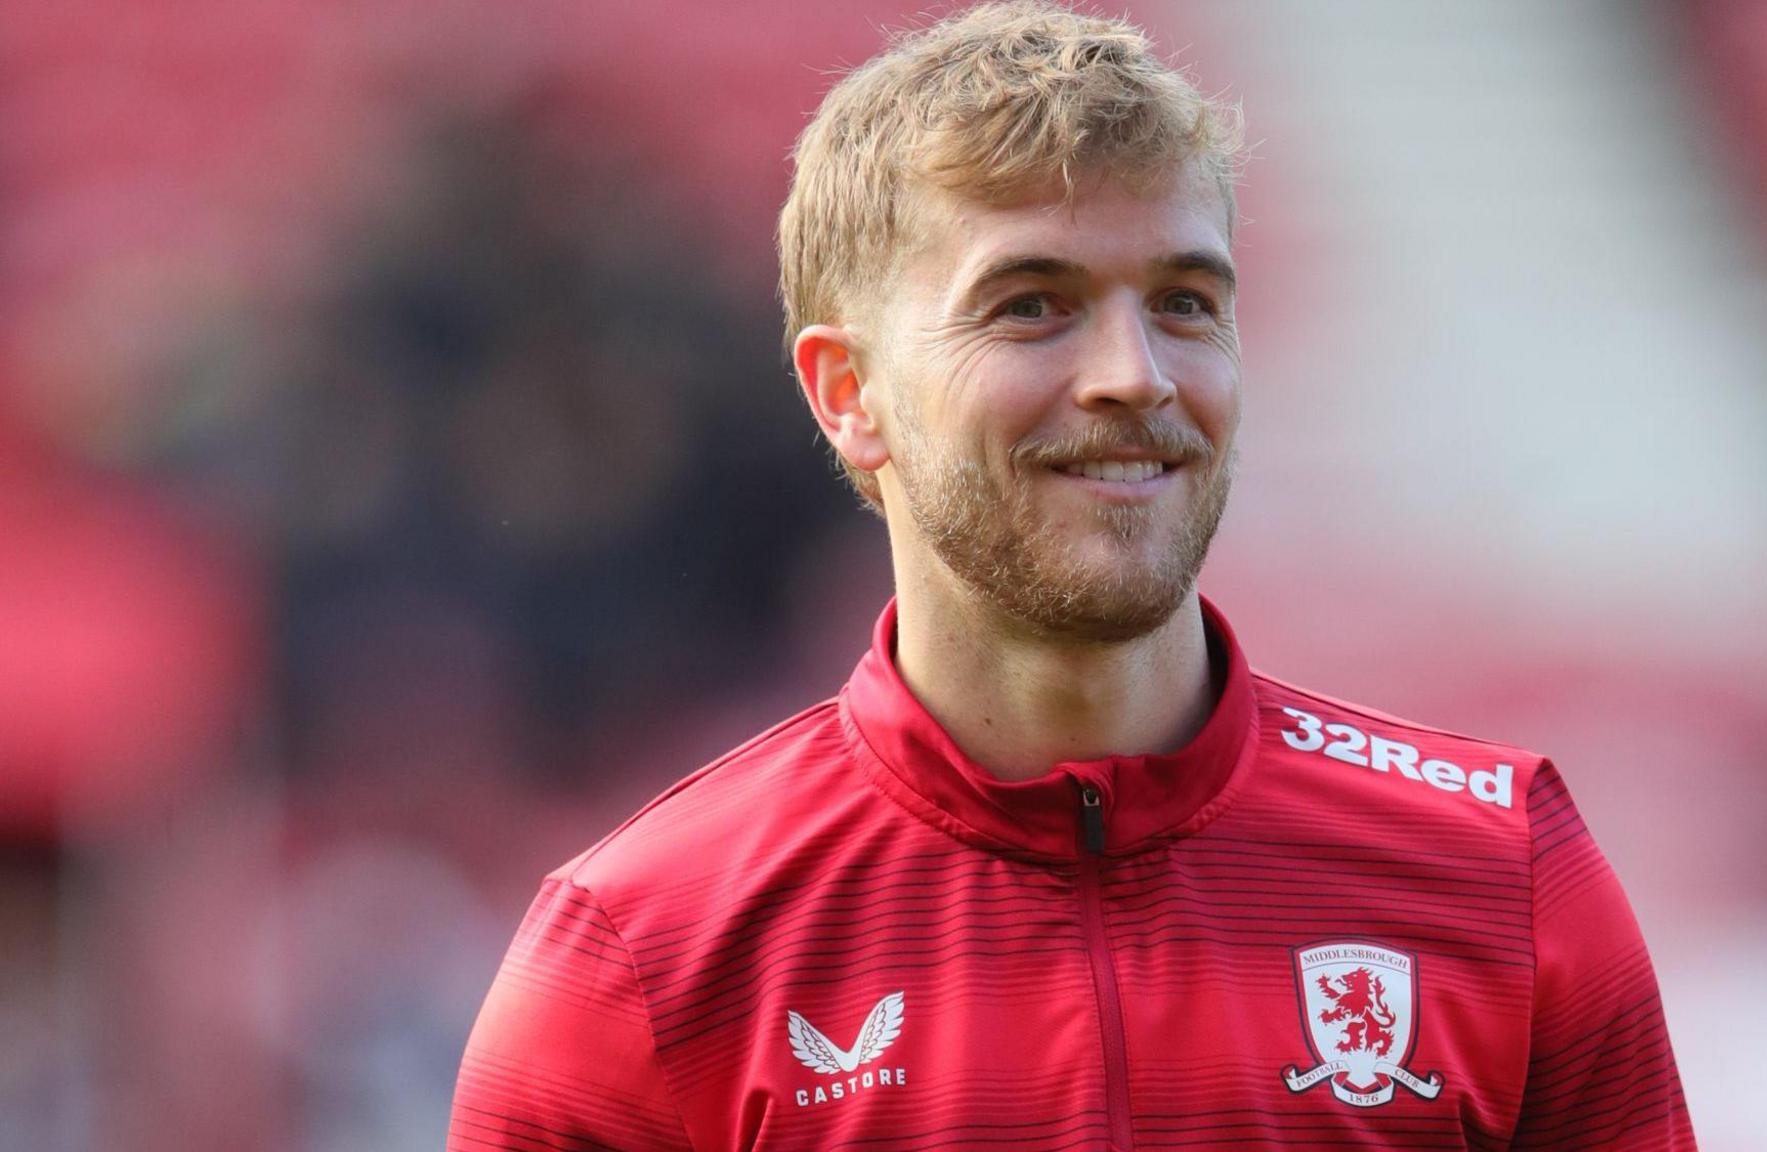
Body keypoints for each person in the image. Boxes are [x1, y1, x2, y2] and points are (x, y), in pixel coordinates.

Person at [447, 3, 1696, 1149]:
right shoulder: (643, 955)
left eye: (1184, 303)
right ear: (848, 393)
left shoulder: (1493, 872)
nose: (1133, 376)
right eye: (1032, 305)